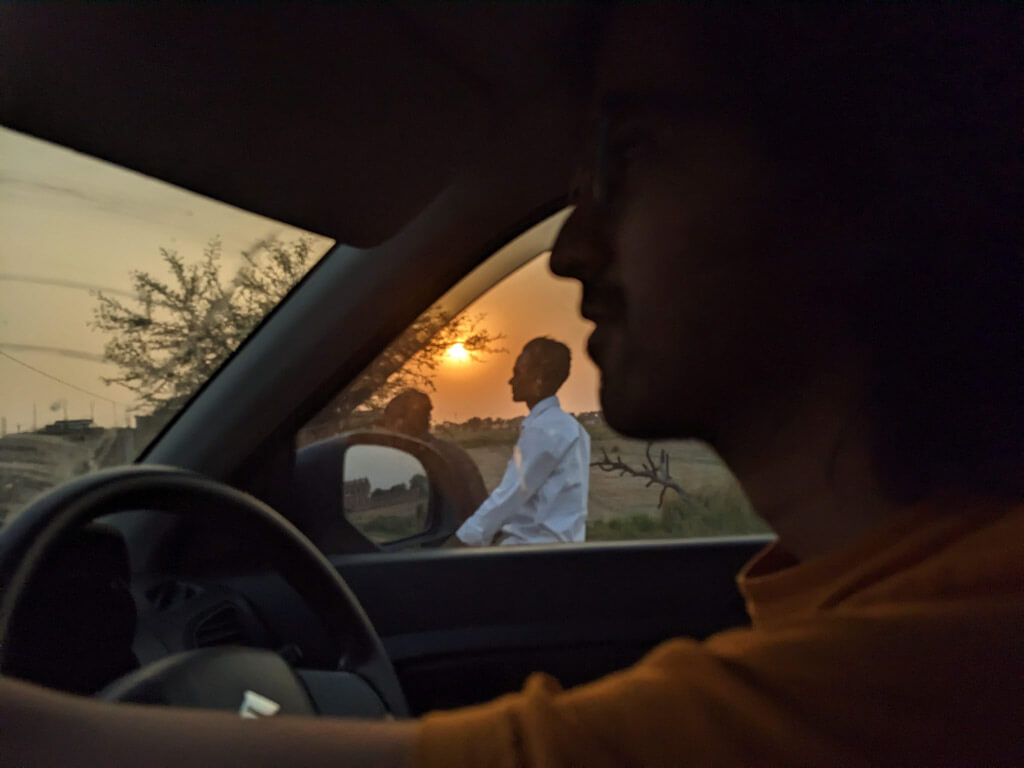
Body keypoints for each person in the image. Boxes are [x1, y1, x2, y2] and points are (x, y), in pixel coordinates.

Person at [2, 5, 1022, 766]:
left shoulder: (947, 664)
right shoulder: (871, 599)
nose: (574, 252)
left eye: (630, 156)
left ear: (869, 174)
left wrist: (466, 533)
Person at [455, 337, 591, 546]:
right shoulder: (574, 428)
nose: (511, 381)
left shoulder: (544, 429)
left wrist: (463, 539)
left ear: (539, 379)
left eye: (518, 372)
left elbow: (508, 497)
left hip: (530, 554)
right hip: (562, 553)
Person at [381, 389, 488, 525]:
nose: (386, 432)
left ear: (398, 424)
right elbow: (481, 506)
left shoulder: (420, 459)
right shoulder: (454, 453)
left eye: (387, 424)